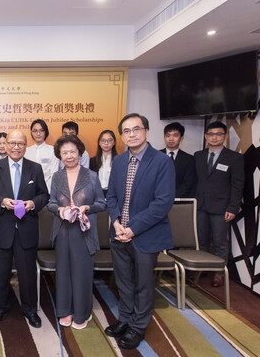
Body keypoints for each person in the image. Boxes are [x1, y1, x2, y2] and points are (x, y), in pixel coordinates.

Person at [105, 113, 175, 350]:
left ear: (146, 131)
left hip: (145, 235)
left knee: (143, 284)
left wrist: (132, 229)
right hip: (118, 233)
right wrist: (115, 222)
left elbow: (162, 203)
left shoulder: (162, 162)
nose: (131, 134)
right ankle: (125, 319)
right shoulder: (120, 161)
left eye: (136, 129)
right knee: (124, 283)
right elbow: (111, 196)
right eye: (126, 131)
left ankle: (138, 326)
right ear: (122, 136)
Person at [0, 130, 49, 328]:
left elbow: (44, 195)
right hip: (3, 229)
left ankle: (29, 309)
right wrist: (1, 201)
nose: (16, 147)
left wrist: (32, 203)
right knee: (1, 272)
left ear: (25, 145)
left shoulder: (35, 168)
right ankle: (0, 308)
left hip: (27, 229)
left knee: (27, 273)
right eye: (12, 143)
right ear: (6, 145)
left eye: (20, 143)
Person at [48, 135, 106, 329]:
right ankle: (65, 310)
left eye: (73, 151)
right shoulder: (57, 177)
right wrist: (60, 210)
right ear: (60, 155)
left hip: (84, 231)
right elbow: (51, 203)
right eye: (65, 152)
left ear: (80, 153)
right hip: (63, 230)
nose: (69, 156)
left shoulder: (91, 176)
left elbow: (101, 203)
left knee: (82, 272)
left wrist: (86, 208)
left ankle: (82, 312)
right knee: (63, 272)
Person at [194, 121, 244, 287]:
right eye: (211, 134)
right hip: (200, 206)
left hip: (222, 208)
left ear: (225, 136)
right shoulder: (198, 156)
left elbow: (237, 184)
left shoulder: (234, 158)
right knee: (201, 240)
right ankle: (201, 269)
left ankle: (218, 273)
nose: (214, 137)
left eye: (218, 134)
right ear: (205, 136)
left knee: (220, 242)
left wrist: (233, 207)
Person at [161, 122, 196, 198]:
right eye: (168, 135)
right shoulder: (156, 156)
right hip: (157, 199)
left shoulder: (189, 159)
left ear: (181, 138)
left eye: (175, 135)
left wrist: (172, 197)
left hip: (179, 200)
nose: (171, 139)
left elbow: (188, 183)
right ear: (164, 137)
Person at [25, 119, 59, 190]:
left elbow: (54, 174)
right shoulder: (26, 151)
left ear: (46, 132)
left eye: (41, 130)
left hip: (47, 190)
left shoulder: (53, 150)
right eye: (35, 131)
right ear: (31, 133)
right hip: (28, 190)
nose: (38, 134)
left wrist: (46, 191)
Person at [90, 130, 118, 197]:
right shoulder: (92, 161)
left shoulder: (119, 160)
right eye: (103, 140)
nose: (106, 143)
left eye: (110, 140)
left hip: (113, 194)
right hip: (96, 194)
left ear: (114, 142)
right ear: (99, 142)